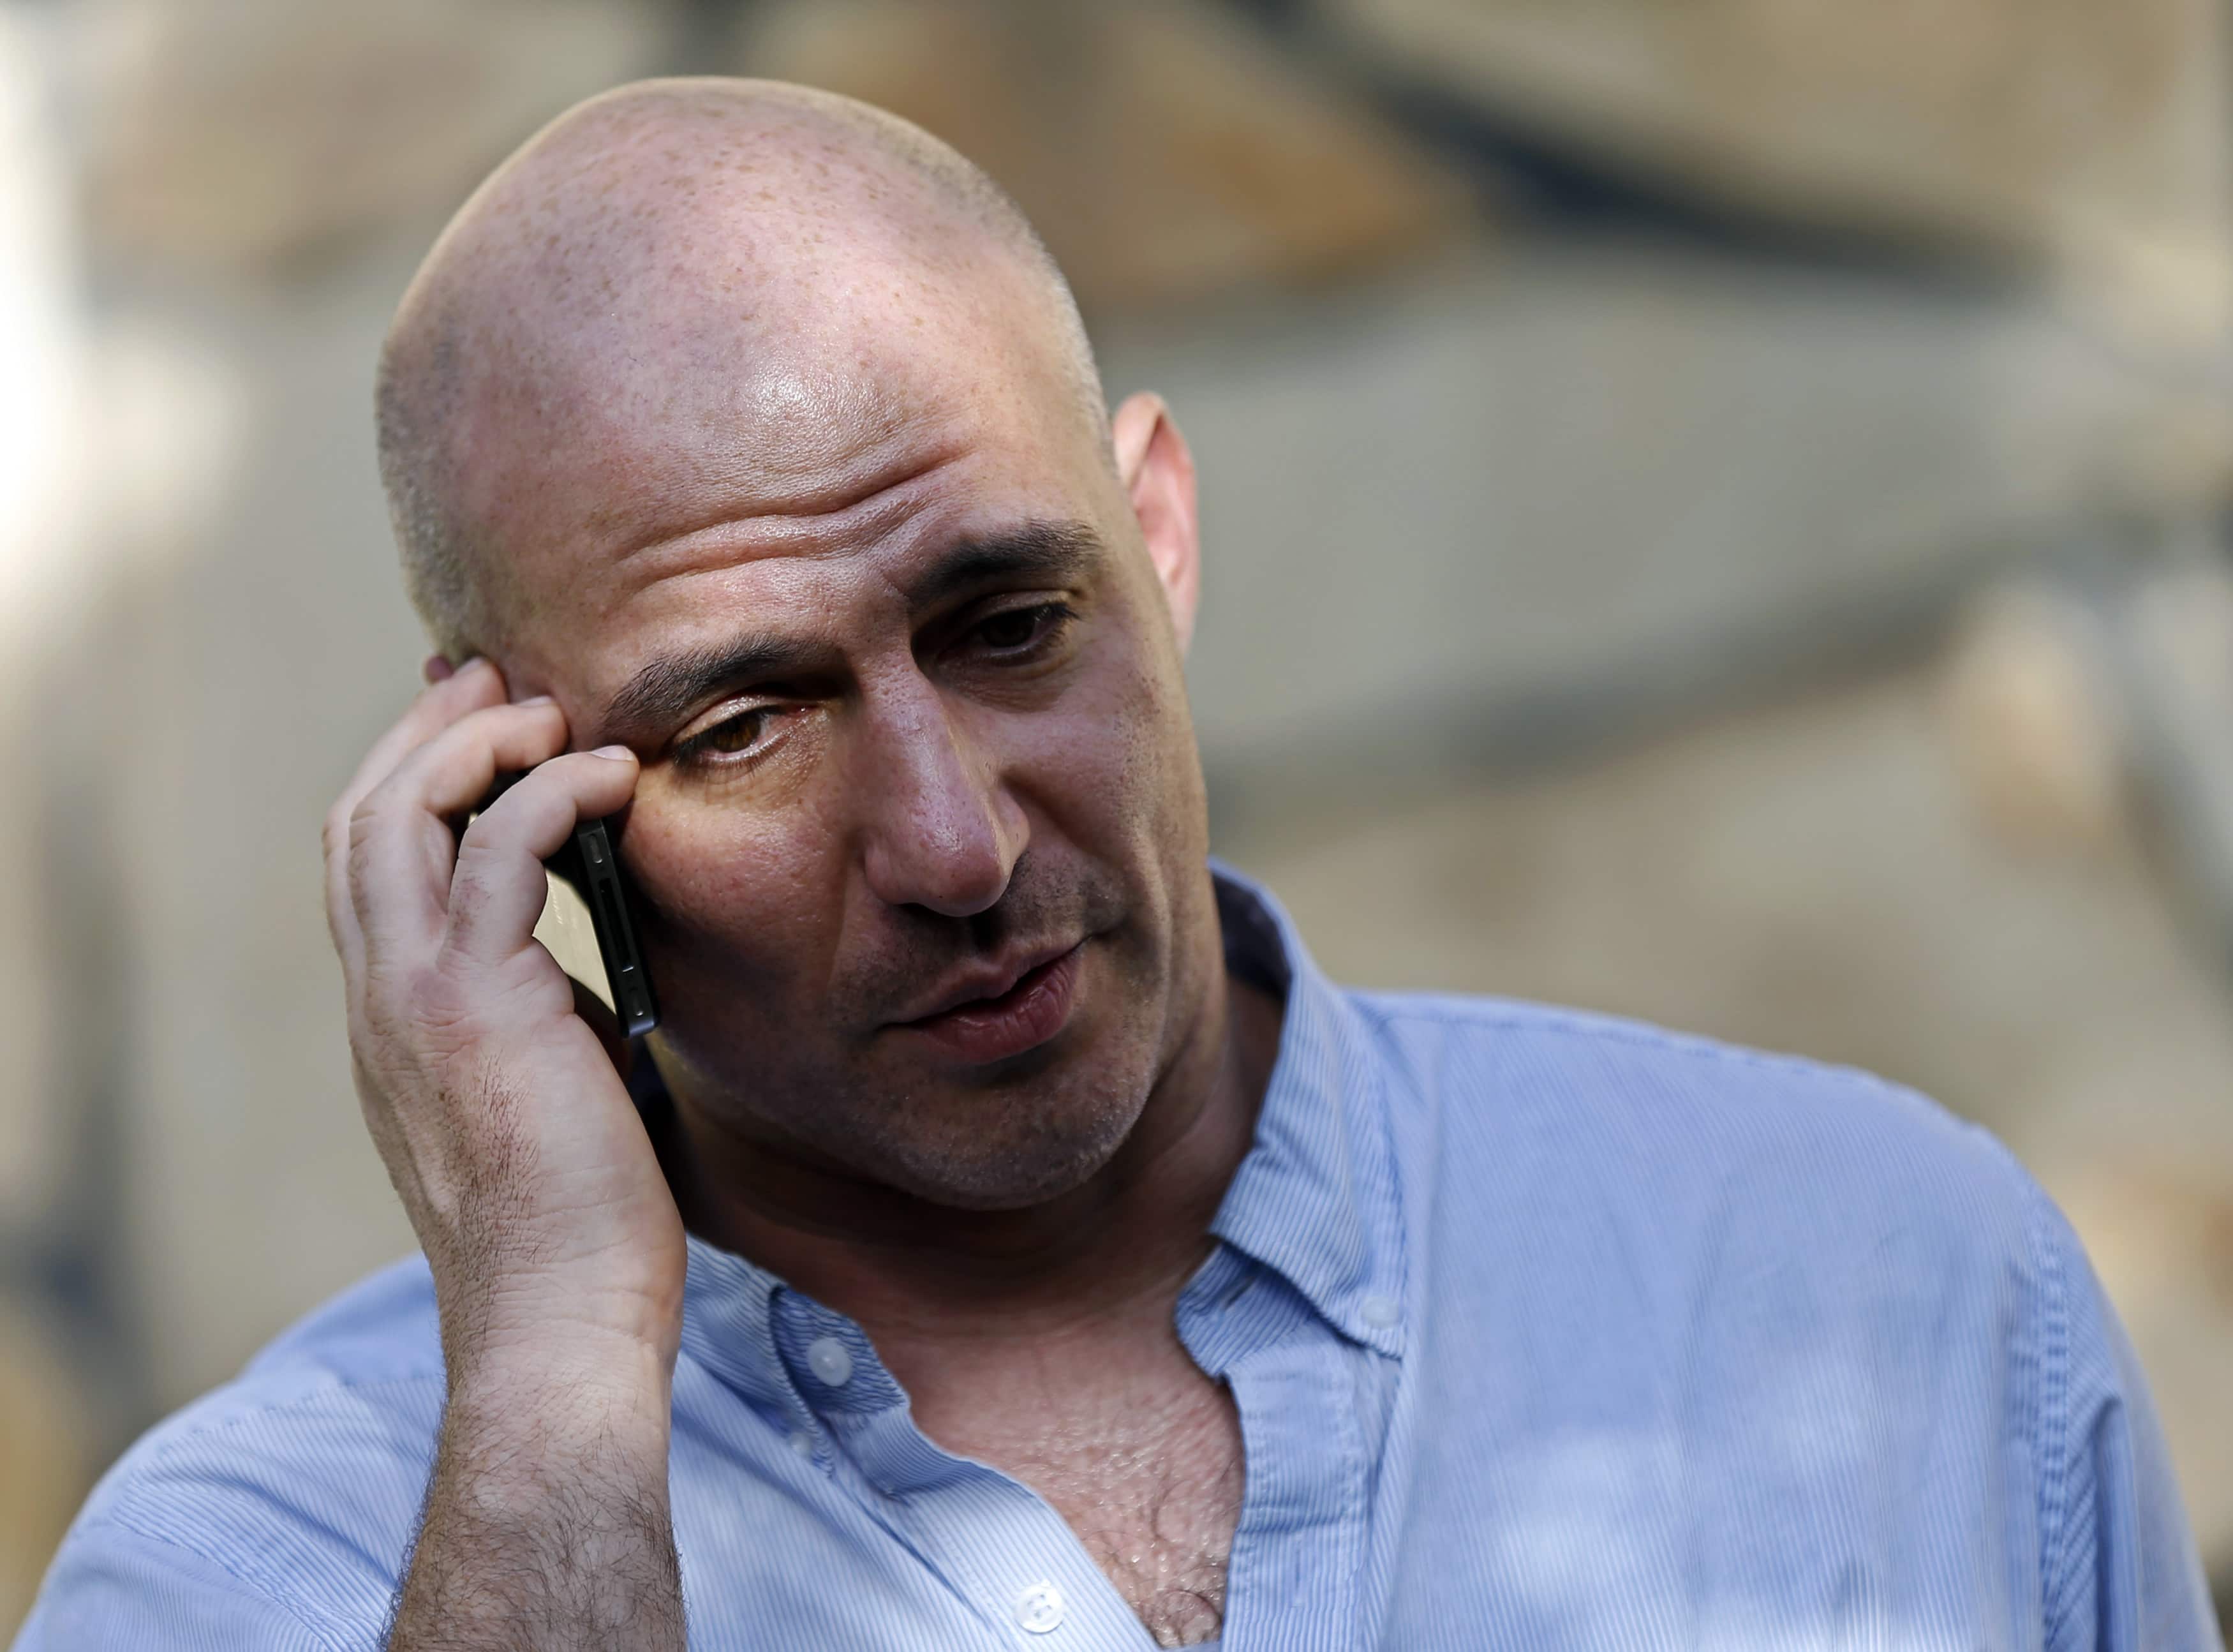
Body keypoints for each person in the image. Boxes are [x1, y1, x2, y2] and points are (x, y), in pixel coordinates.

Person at [15, 77, 2222, 1652]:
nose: (959, 843)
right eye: (743, 723)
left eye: (1009, 623)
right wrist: (566, 1388)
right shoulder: (265, 1569)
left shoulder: (1897, 1293)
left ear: (1154, 533)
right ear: (501, 784)